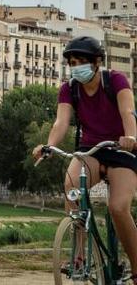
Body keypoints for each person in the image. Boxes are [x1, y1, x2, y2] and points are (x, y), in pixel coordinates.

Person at [32, 36, 137, 279]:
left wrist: (131, 137)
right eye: (72, 63)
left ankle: (136, 267)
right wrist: (49, 146)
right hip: (91, 148)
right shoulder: (69, 89)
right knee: (71, 187)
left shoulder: (116, 80)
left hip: (121, 149)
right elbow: (61, 122)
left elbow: (128, 112)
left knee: (117, 207)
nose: (76, 67)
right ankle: (78, 257)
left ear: (97, 62)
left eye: (81, 62)